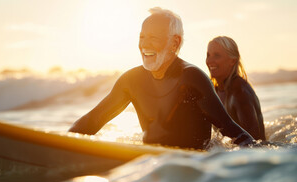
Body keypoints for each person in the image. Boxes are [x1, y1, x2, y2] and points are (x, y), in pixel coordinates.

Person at [69, 7, 255, 150]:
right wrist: (61, 145)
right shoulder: (131, 81)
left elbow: (235, 133)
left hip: (192, 165)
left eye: (153, 37)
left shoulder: (192, 78)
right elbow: (92, 121)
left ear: (174, 43)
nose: (144, 45)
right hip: (153, 162)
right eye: (142, 37)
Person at [206, 36, 266, 141]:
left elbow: (254, 142)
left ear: (232, 61)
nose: (210, 60)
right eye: (208, 55)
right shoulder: (215, 90)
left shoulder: (240, 91)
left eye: (217, 55)